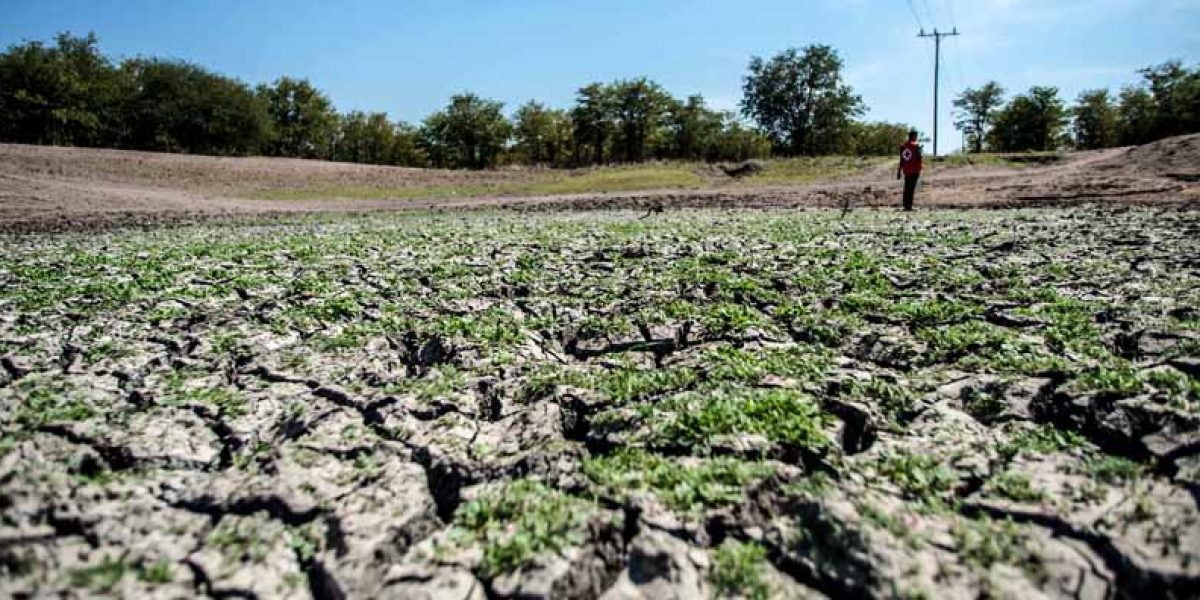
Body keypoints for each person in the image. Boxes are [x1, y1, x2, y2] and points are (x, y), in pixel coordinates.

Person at [896, 130, 923, 211]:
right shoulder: (916, 146)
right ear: (914, 136)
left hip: (906, 170)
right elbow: (919, 157)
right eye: (916, 136)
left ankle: (906, 205)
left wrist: (899, 171)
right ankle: (909, 206)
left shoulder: (903, 147)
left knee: (907, 188)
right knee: (911, 188)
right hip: (914, 170)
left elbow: (901, 159)